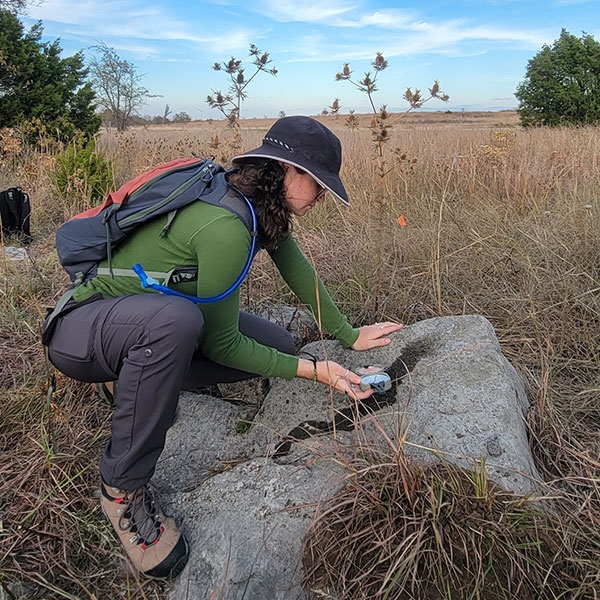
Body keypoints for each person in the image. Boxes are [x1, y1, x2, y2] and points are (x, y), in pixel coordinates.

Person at [44, 116, 403, 579]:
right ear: (286, 171)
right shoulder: (227, 224)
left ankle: (134, 380)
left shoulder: (255, 206)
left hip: (132, 327)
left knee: (273, 341)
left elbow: (297, 270)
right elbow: (222, 343)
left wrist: (347, 333)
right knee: (179, 321)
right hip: (79, 331)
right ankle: (122, 488)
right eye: (316, 184)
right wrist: (317, 370)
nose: (319, 198)